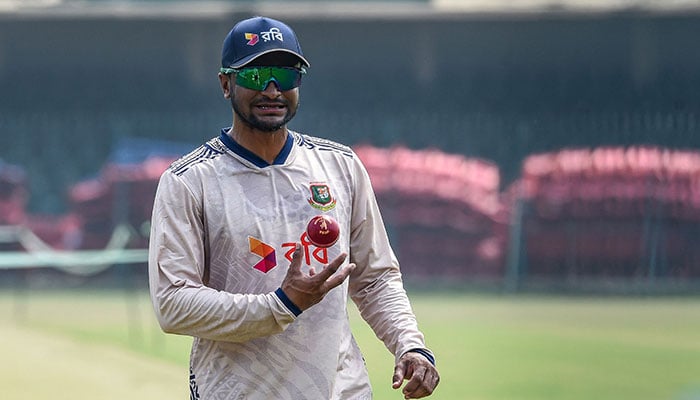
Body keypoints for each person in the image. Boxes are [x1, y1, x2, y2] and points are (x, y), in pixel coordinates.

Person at [148, 16, 440, 400]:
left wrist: (410, 344)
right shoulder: (188, 181)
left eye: (286, 76)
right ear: (225, 84)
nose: (272, 89)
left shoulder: (341, 166)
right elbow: (173, 304)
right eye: (256, 76)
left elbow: (375, 278)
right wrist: (280, 305)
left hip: (341, 390)